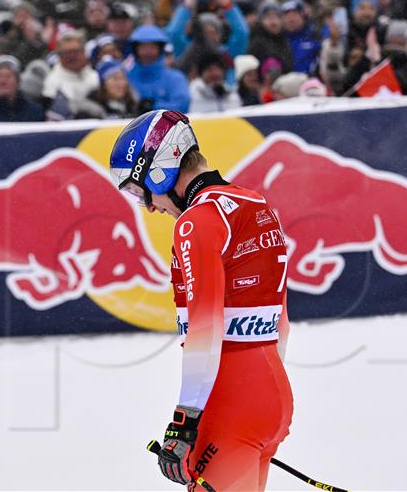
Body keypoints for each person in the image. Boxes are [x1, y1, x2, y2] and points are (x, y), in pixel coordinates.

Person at [108, 110, 292, 491]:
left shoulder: (196, 221)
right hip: (271, 389)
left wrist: (184, 422)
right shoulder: (255, 204)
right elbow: (280, 320)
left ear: (161, 169)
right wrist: (261, 403)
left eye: (142, 191)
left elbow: (204, 330)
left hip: (230, 401)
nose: (152, 207)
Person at [127, 25, 190, 113]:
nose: (148, 52)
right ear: (135, 49)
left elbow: (182, 105)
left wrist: (152, 106)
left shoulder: (175, 78)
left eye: (152, 47)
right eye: (143, 47)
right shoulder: (126, 76)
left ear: (160, 49)